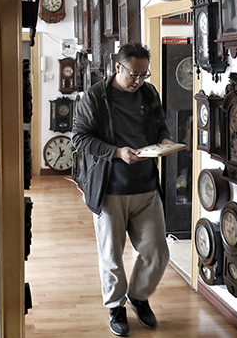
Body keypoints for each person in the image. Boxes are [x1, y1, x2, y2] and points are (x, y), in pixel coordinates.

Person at [72, 42, 173, 336]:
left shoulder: (148, 92)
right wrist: (116, 152)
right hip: (110, 189)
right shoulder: (94, 97)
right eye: (133, 74)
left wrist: (165, 139)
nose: (139, 81)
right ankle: (116, 306)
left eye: (144, 74)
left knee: (156, 251)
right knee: (111, 256)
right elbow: (80, 138)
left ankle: (138, 297)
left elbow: (160, 125)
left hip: (146, 186)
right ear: (117, 67)